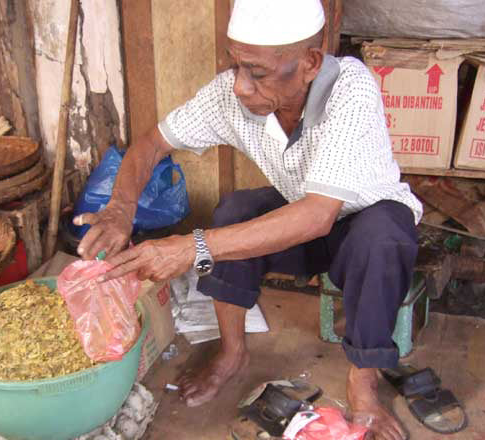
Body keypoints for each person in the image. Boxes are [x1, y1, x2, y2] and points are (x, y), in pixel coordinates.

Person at [74, 1, 421, 439]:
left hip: (365, 219)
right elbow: (151, 144)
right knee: (233, 212)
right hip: (305, 218)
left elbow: (318, 215)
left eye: (257, 73)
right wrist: (120, 209)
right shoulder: (230, 95)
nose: (239, 86)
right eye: (235, 65)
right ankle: (232, 352)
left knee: (381, 238)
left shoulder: (351, 88)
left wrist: (191, 248)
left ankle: (364, 382)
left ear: (310, 63)